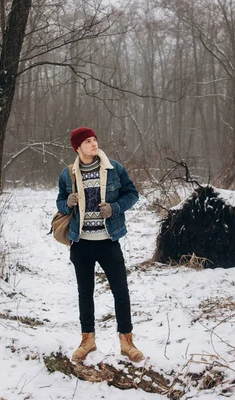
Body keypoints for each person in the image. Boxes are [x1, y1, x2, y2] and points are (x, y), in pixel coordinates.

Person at [56, 126, 143, 363]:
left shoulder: (113, 169)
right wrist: (68, 203)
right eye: (88, 142)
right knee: (85, 293)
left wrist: (114, 208)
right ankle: (88, 340)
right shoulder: (68, 174)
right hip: (81, 243)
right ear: (78, 147)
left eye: (95, 139)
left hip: (108, 241)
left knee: (121, 291)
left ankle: (126, 342)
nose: (94, 144)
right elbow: (60, 202)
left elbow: (133, 194)